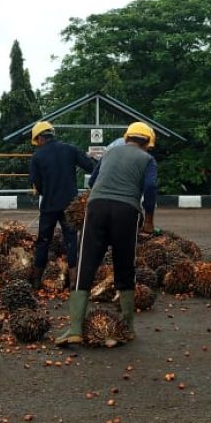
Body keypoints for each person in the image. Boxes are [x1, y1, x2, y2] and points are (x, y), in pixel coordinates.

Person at [55, 122, 158, 347]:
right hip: (126, 212)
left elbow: (92, 181)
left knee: (85, 264)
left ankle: (75, 329)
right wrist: (148, 220)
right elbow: (150, 188)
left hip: (96, 208)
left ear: (127, 137)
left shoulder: (110, 153)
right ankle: (127, 327)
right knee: (124, 266)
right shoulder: (148, 160)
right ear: (148, 142)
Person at [27, 121, 96, 290]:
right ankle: (74, 281)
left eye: (38, 140)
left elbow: (36, 182)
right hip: (69, 207)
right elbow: (92, 166)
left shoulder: (37, 156)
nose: (38, 144)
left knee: (43, 241)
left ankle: (36, 281)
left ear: (41, 137)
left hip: (49, 207)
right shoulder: (70, 149)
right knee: (71, 240)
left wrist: (46, 191)